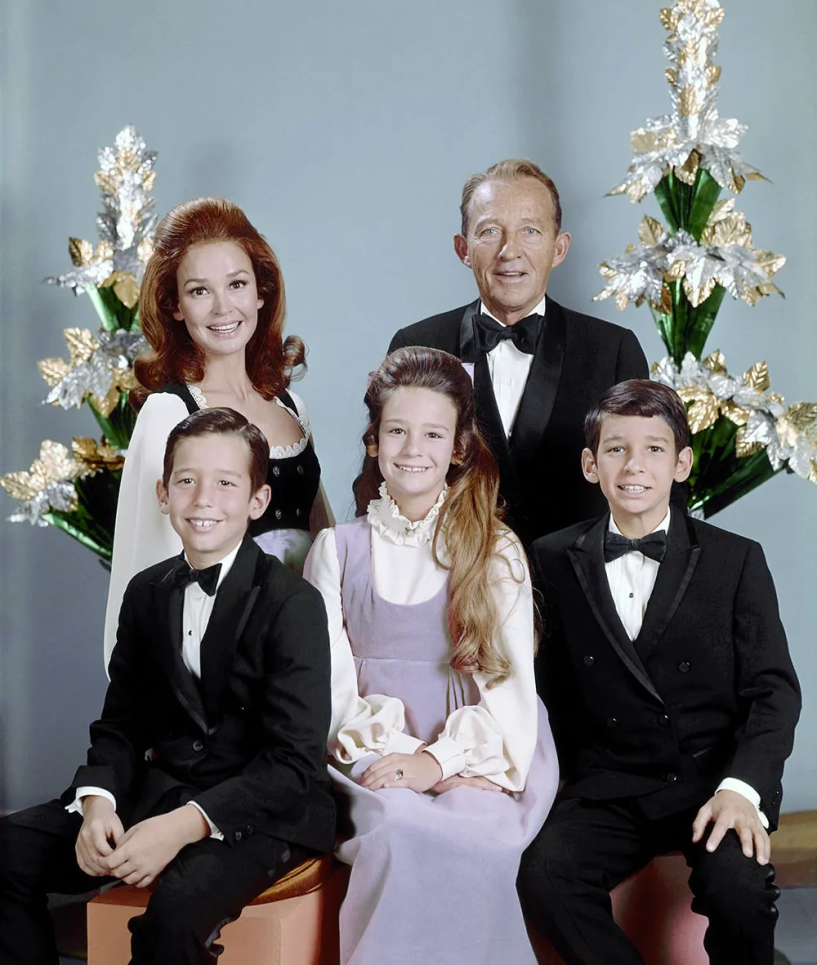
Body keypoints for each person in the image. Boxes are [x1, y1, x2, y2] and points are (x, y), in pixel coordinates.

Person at [0, 408, 336, 965]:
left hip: (262, 809)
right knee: (9, 850)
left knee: (174, 914)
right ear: (163, 494)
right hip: (162, 788)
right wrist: (97, 802)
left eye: (226, 483)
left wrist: (182, 827)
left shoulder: (293, 603)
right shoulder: (146, 591)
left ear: (256, 500)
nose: (204, 498)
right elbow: (121, 723)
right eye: (187, 480)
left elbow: (293, 763)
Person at [518, 379, 801, 965]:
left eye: (653, 448)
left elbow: (773, 692)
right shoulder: (549, 557)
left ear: (682, 463)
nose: (635, 465)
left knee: (740, 890)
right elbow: (541, 687)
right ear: (591, 465)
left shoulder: (735, 559)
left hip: (711, 779)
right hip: (610, 785)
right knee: (544, 875)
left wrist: (742, 789)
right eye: (617, 449)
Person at [304, 346, 559, 965]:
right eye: (397, 431)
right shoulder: (337, 551)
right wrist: (393, 757)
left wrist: (437, 762)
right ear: (373, 441)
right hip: (367, 753)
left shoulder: (493, 550)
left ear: (458, 448)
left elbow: (510, 691)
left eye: (432, 434)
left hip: (477, 751)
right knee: (396, 827)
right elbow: (331, 689)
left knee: (480, 836)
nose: (412, 449)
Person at [104, 195, 333, 668]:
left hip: (306, 651)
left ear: (261, 292)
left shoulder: (292, 407)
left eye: (237, 284)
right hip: (222, 664)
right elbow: (146, 572)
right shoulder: (169, 412)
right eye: (200, 291)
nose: (223, 307)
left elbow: (324, 537)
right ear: (174, 306)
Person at [388, 158, 649, 547]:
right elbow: (385, 477)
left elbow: (650, 482)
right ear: (463, 249)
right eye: (490, 231)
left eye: (530, 231)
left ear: (559, 248)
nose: (510, 251)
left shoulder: (613, 349)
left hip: (575, 591)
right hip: (448, 580)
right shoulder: (417, 345)